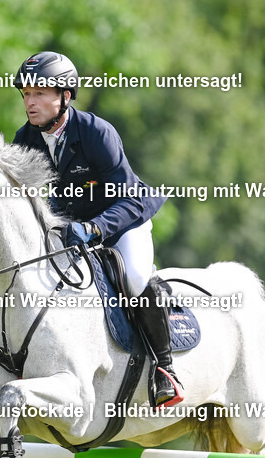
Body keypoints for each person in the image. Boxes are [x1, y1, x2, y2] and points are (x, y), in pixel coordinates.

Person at [12, 51, 183, 408]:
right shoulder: (25, 139)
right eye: (26, 94)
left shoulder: (96, 133)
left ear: (65, 96)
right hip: (69, 229)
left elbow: (130, 199)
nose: (30, 102)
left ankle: (165, 370)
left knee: (134, 277)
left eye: (40, 93)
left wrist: (94, 228)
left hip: (123, 222)